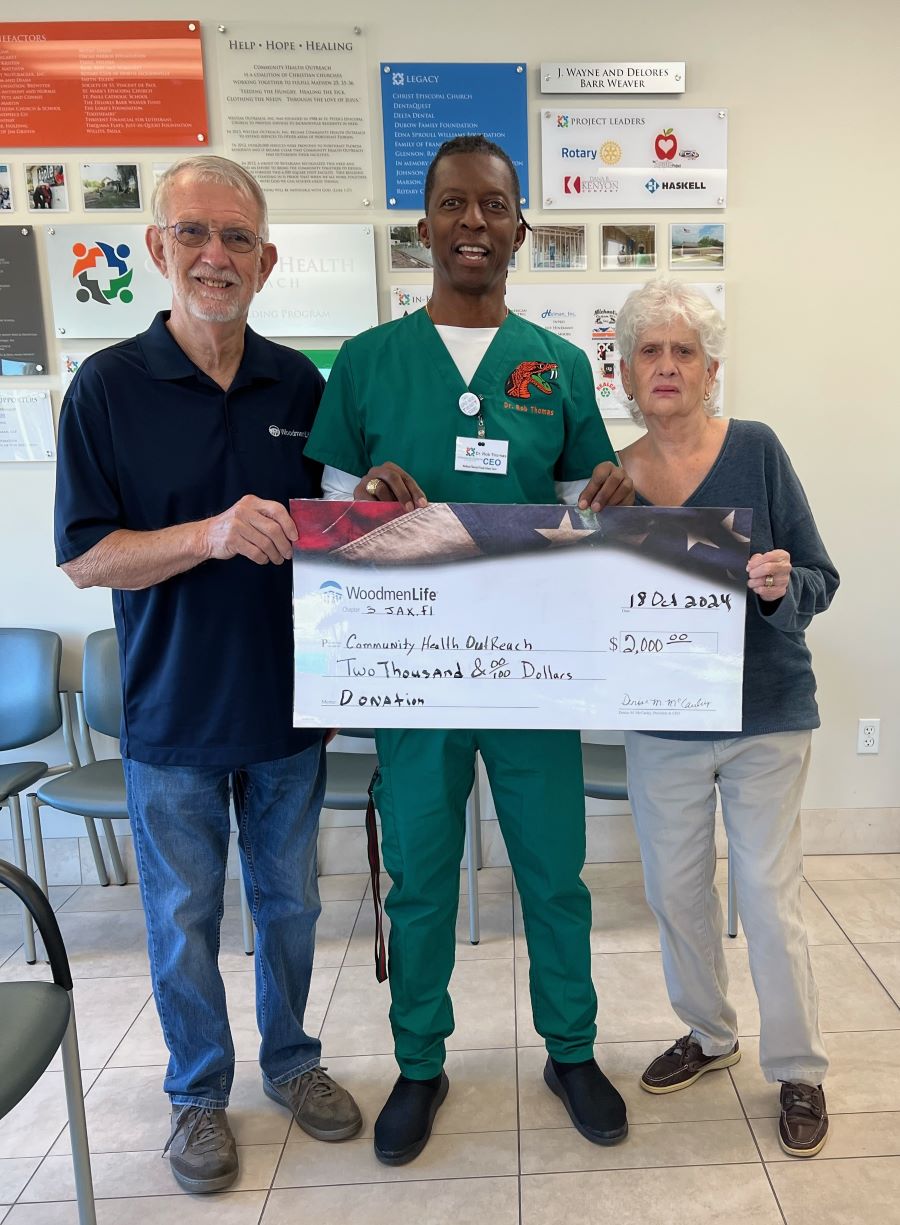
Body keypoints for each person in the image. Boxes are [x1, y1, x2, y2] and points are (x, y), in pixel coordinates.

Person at [306, 134, 634, 1165]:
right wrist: (360, 501)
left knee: (553, 869)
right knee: (420, 873)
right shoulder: (365, 363)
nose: (474, 224)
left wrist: (614, 507)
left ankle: (570, 1049)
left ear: (520, 225)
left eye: (494, 205)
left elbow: (587, 511)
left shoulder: (560, 366)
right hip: (416, 675)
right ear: (423, 226)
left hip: (531, 670)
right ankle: (419, 1061)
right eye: (453, 204)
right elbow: (327, 509)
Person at [53, 154, 361, 1194]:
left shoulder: (301, 383)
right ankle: (197, 1092)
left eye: (236, 238)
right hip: (172, 710)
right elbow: (87, 555)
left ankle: (290, 1060)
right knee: (183, 915)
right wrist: (211, 533)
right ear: (156, 248)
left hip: (288, 707)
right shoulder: (106, 388)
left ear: (267, 260)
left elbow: (337, 530)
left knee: (289, 904)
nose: (215, 255)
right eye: (193, 234)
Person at [614, 279, 838, 1158]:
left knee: (767, 896)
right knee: (674, 893)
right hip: (662, 720)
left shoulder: (758, 449)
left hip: (767, 715)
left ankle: (799, 1066)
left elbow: (821, 575)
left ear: (710, 370)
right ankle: (709, 1033)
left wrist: (786, 587)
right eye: (650, 351)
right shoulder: (611, 474)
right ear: (627, 370)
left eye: (684, 353)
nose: (666, 366)